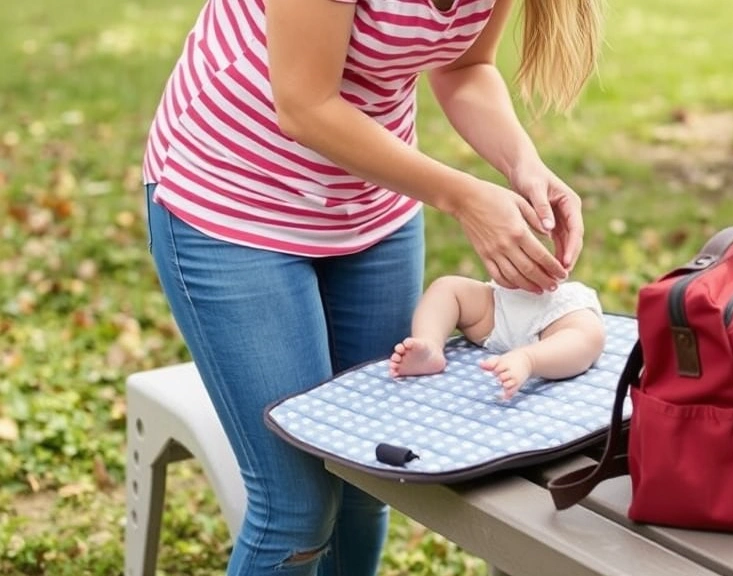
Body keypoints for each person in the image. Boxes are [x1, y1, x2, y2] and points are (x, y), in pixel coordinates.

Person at [140, 0, 604, 574]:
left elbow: (465, 67)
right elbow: (306, 106)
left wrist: (523, 164)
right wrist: (461, 196)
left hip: (371, 209)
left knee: (367, 476)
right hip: (232, 205)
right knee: (297, 507)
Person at [389, 275, 606, 399]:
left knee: (588, 337)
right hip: (502, 303)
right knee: (446, 287)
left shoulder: (567, 306)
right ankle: (430, 343)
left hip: (556, 313)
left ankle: (529, 359)